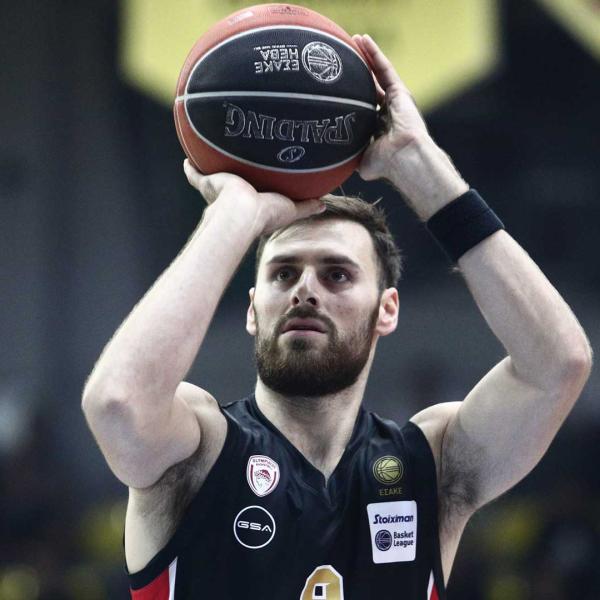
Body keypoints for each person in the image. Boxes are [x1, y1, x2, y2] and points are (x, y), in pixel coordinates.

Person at [82, 34, 592, 599]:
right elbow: (116, 403)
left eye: (338, 275)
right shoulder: (197, 451)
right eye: (282, 274)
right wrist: (232, 217)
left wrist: (419, 164)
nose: (305, 290)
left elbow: (558, 364)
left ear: (386, 309)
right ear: (252, 310)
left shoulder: (431, 465)